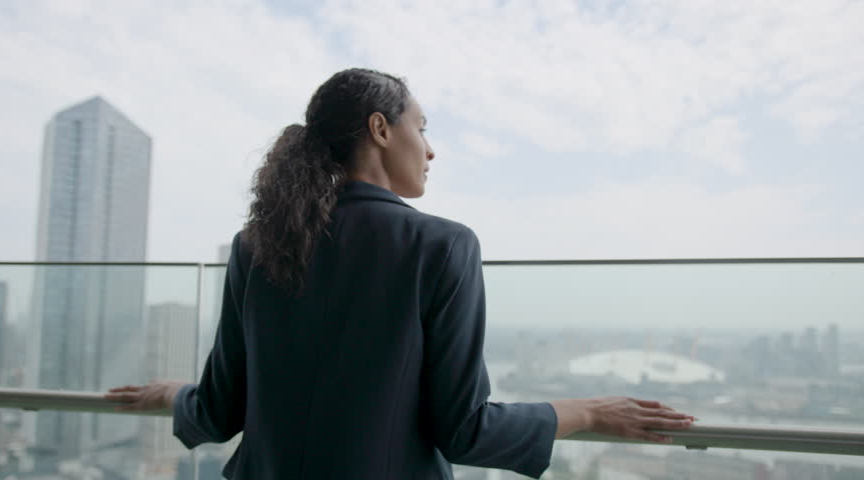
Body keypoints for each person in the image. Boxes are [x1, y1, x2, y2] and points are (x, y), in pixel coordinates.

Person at [106, 68, 695, 479]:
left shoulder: (255, 244)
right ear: (381, 130)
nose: (431, 149)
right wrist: (591, 412)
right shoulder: (443, 246)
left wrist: (173, 394)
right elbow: (466, 430)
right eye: (423, 126)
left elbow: (219, 409)